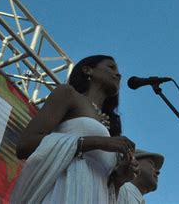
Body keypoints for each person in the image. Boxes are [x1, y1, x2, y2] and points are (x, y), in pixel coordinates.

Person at [11, 55, 140, 203]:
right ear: (88, 70)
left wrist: (119, 179)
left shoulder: (111, 127)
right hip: (62, 192)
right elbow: (25, 145)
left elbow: (104, 186)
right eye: (111, 67)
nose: (118, 74)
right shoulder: (68, 94)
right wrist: (97, 142)